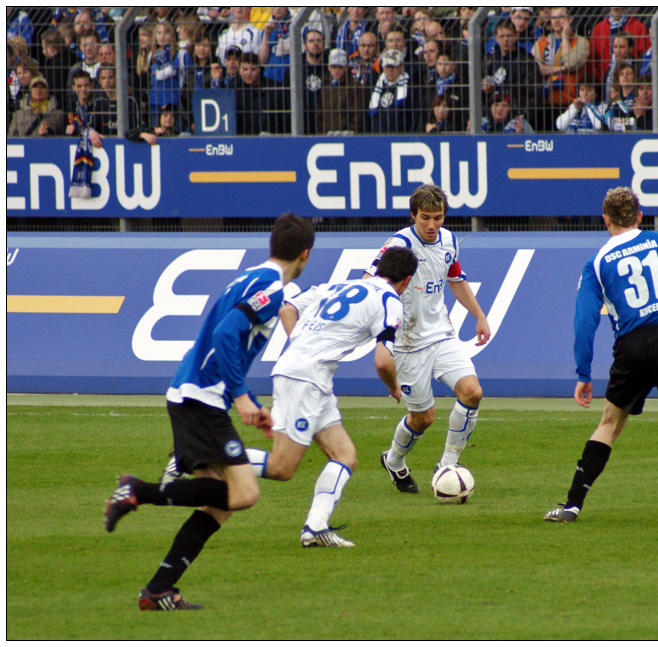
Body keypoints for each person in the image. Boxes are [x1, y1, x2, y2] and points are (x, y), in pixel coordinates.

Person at [103, 213, 315, 611]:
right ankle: (138, 491)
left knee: (220, 504)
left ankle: (158, 590)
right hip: (202, 398)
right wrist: (241, 396)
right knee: (245, 493)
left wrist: (247, 400)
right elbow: (225, 333)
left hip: (192, 393)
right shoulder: (272, 289)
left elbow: (226, 337)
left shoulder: (249, 277)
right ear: (305, 254)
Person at [544, 187, 658, 525]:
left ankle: (572, 505)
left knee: (609, 426)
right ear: (640, 216)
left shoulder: (596, 263)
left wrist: (583, 373)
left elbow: (585, 321)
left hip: (630, 348)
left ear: (606, 220)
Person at [239, 246, 418, 548]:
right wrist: (393, 386)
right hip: (306, 377)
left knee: (345, 455)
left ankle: (315, 526)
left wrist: (302, 346)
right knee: (282, 466)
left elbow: (287, 308)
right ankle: (199, 457)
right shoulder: (390, 300)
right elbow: (383, 361)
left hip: (308, 374)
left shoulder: (341, 285)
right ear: (407, 280)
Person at [366, 184, 490, 495]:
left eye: (438, 217)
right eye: (425, 217)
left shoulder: (449, 240)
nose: (432, 225)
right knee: (423, 418)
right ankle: (394, 460)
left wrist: (479, 315)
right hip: (407, 343)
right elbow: (368, 282)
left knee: (472, 392)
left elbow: (456, 280)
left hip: (441, 334)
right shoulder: (399, 244)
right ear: (413, 215)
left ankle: (448, 464)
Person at [533, 7, 589, 113]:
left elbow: (570, 64)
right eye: (553, 18)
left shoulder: (581, 42)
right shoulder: (541, 43)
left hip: (572, 104)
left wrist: (565, 37)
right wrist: (562, 68)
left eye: (561, 17)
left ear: (570, 19)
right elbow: (536, 69)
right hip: (545, 104)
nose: (556, 21)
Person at [589, 7, 650, 86]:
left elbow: (646, 59)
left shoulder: (639, 28)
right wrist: (601, 82)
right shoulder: (598, 29)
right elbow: (592, 62)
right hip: (605, 83)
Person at [318, 47, 366, 134]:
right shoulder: (325, 87)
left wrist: (353, 136)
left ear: (346, 67)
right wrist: (322, 134)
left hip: (347, 137)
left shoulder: (354, 87)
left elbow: (357, 117)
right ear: (329, 67)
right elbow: (320, 116)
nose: (336, 70)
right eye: (334, 66)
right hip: (327, 137)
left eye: (340, 67)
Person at [367, 48, 415, 134]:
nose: (390, 70)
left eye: (394, 66)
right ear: (383, 68)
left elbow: (414, 116)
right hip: (378, 137)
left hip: (401, 137)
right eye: (387, 66)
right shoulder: (377, 86)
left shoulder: (410, 88)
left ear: (401, 67)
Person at [259, 6, 292, 85]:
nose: (277, 8)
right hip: (270, 77)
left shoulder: (295, 24)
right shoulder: (267, 27)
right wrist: (266, 35)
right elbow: (262, 60)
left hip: (289, 77)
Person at [603, 62, 638, 131]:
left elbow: (632, 118)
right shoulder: (615, 97)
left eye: (628, 74)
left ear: (634, 77)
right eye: (622, 74)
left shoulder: (637, 96)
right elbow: (606, 120)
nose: (625, 76)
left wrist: (619, 102)